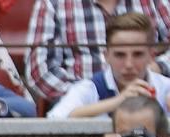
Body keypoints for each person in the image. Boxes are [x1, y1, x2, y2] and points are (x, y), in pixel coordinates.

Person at [26, 0, 170, 104]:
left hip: (149, 99)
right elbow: (39, 71)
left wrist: (159, 67)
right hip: (83, 108)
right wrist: (88, 94)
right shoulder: (53, 3)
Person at [47, 13, 170, 120]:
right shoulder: (91, 88)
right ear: (106, 56)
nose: (128, 64)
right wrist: (118, 101)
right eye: (120, 55)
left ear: (151, 56)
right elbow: (54, 121)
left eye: (137, 54)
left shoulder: (166, 87)